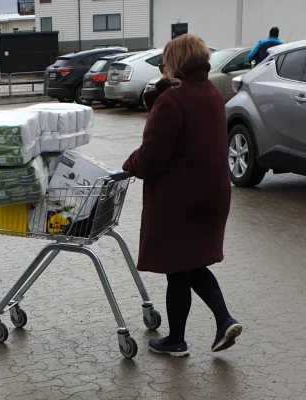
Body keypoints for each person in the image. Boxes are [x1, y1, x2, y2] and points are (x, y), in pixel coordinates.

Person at [123, 34, 242, 356]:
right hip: (213, 195)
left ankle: (176, 340)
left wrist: (129, 164)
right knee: (191, 263)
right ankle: (223, 320)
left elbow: (152, 158)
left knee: (178, 268)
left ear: (173, 62)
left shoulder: (172, 100)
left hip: (180, 199)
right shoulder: (211, 92)